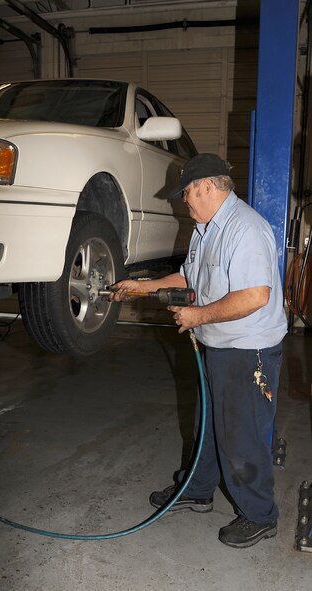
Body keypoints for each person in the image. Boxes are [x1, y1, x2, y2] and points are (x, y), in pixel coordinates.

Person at [111, 153, 287, 548]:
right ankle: (197, 489)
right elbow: (187, 277)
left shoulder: (246, 228)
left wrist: (199, 316)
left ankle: (260, 515)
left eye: (187, 192)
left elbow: (256, 295)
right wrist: (140, 285)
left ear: (207, 186)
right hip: (217, 345)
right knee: (206, 426)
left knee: (241, 436)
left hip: (247, 350)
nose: (184, 200)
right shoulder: (204, 229)